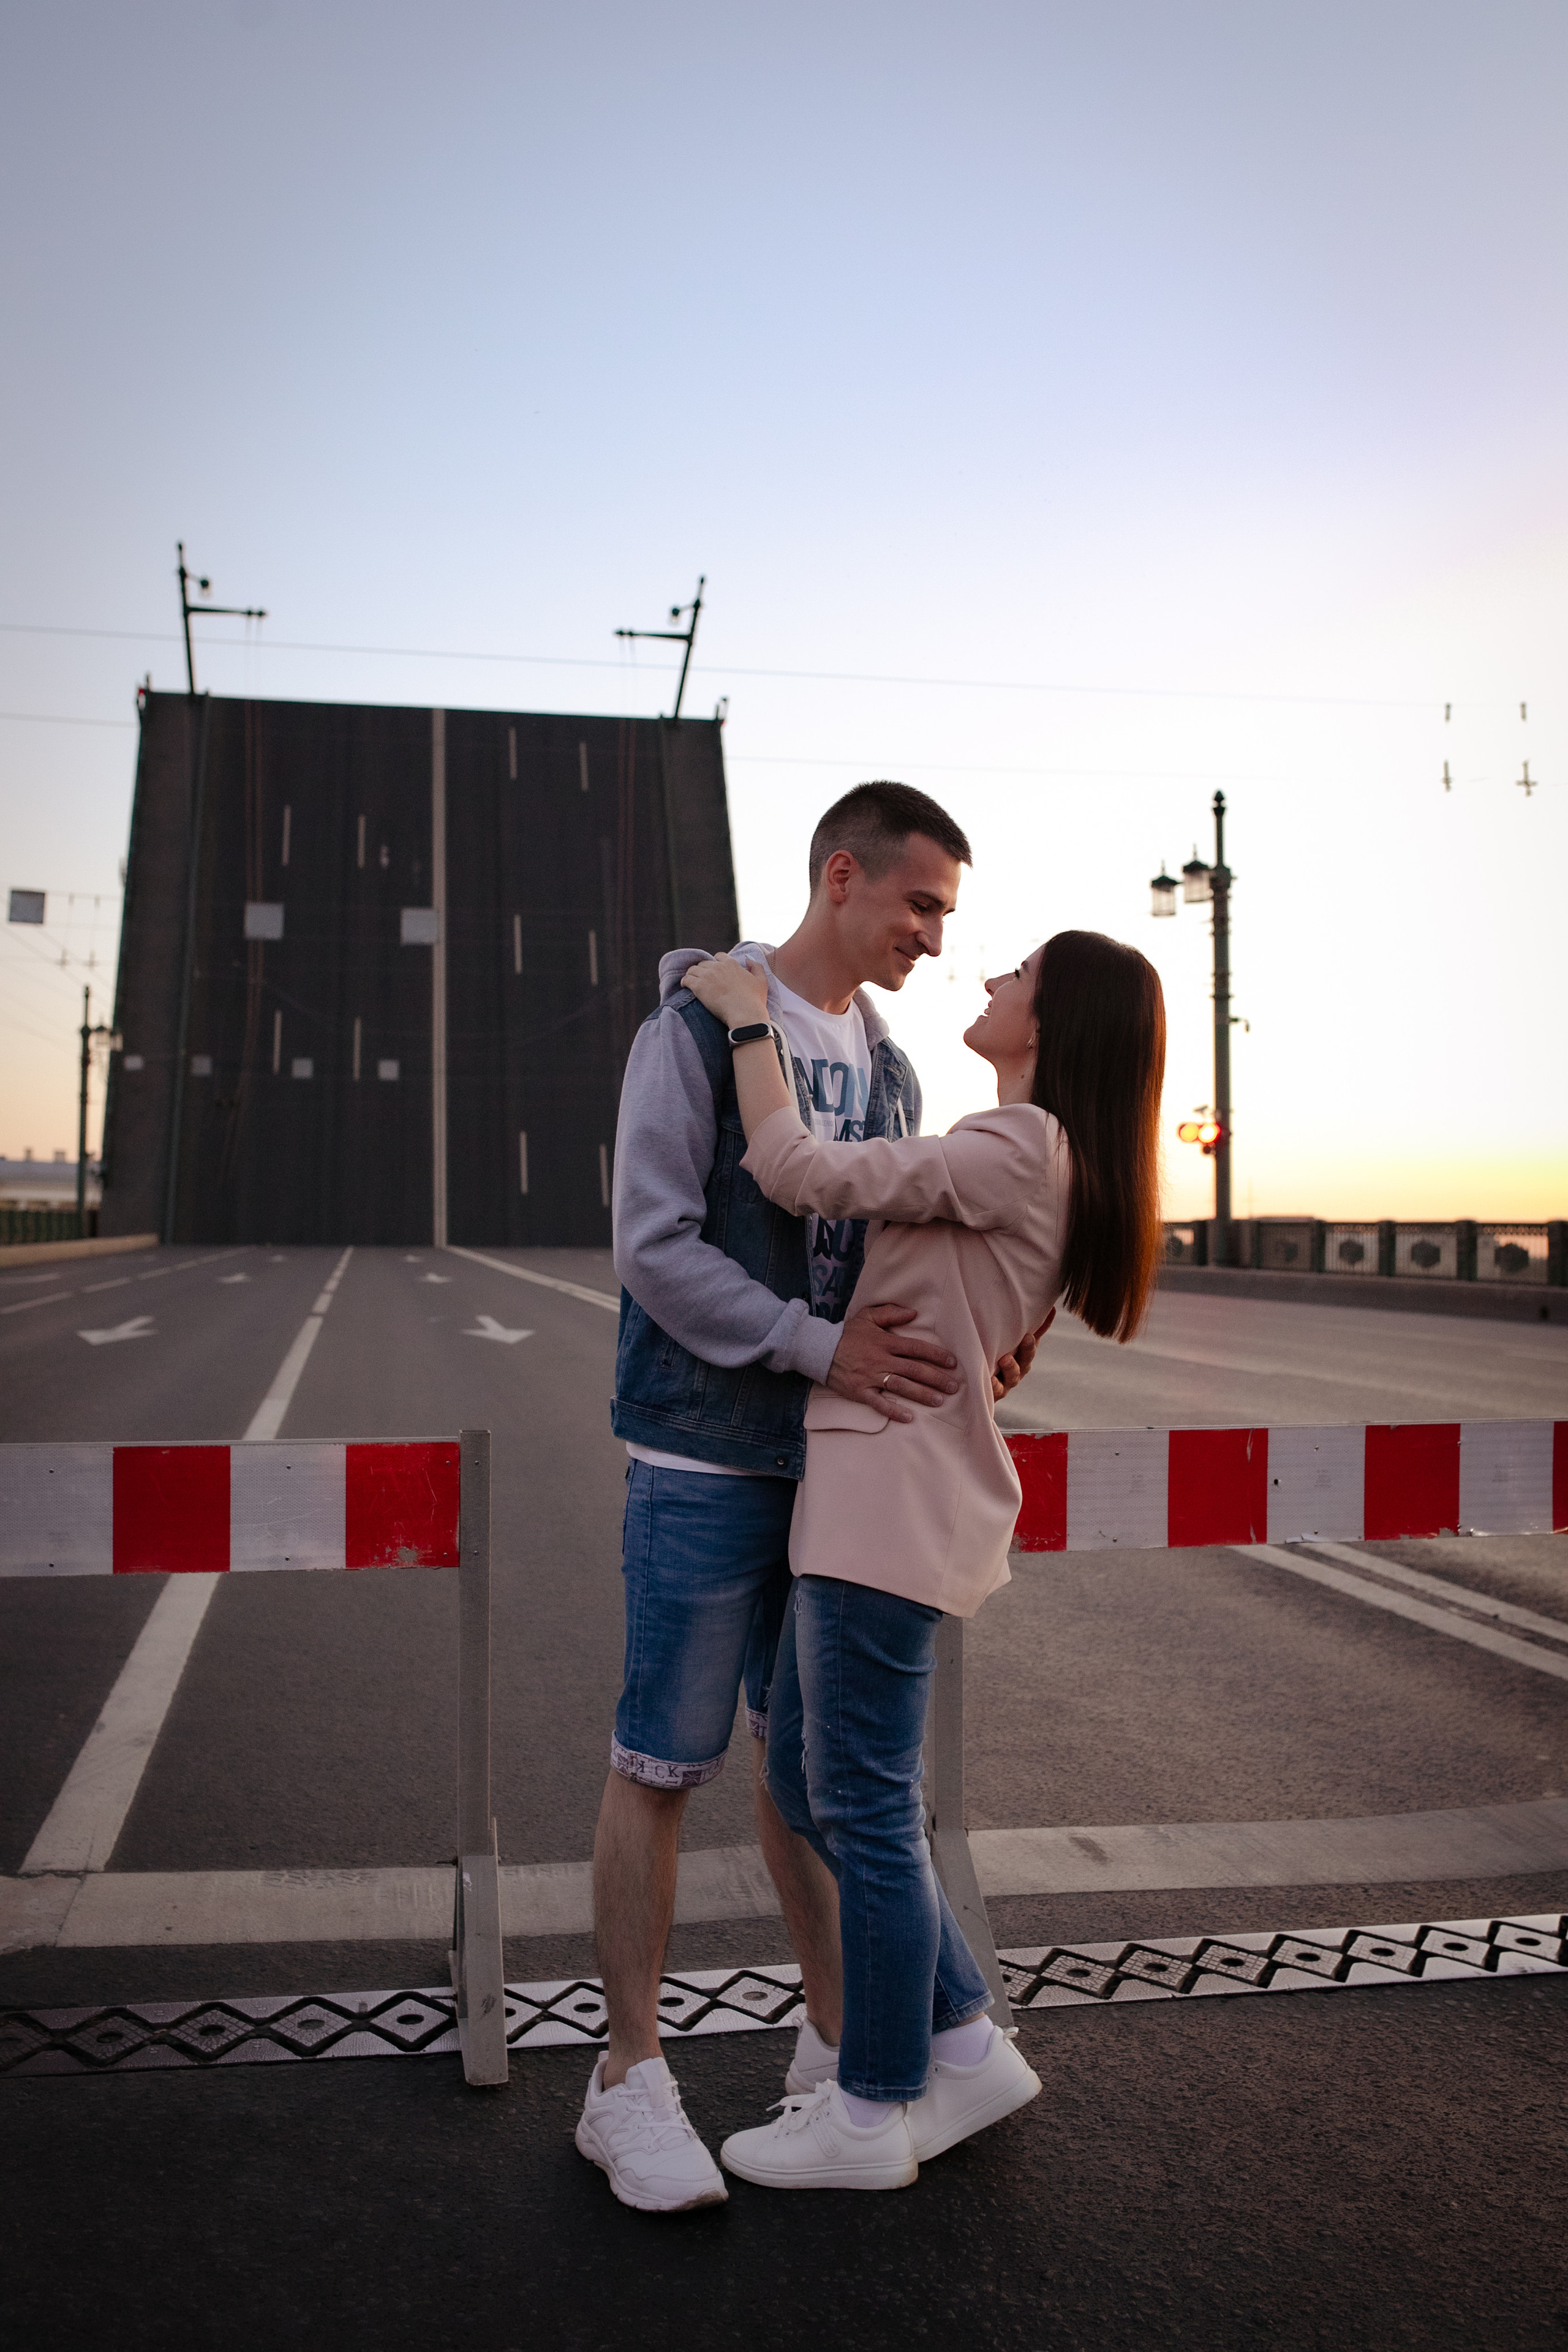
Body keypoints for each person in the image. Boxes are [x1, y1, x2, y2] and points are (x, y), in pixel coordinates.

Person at [575, 782, 1045, 2214]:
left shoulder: (895, 1071)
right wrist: (812, 1345)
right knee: (661, 1760)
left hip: (840, 1465)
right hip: (709, 1448)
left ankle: (843, 2052)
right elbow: (652, 1245)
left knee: (805, 1771)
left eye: (947, 915)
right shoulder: (696, 1026)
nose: (933, 936)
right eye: (918, 904)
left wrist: (977, 1342)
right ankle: (627, 2082)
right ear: (841, 876)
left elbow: (895, 1254)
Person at [682, 928, 1166, 2191]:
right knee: (807, 1774)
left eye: (1018, 977)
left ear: (1055, 1025)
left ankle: (869, 2111)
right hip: (889, 1497)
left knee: (861, 1807)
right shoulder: (1038, 1155)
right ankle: (961, 2043)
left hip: (882, 1502)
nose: (992, 979)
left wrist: (745, 1015)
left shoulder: (1015, 1142)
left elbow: (792, 1170)